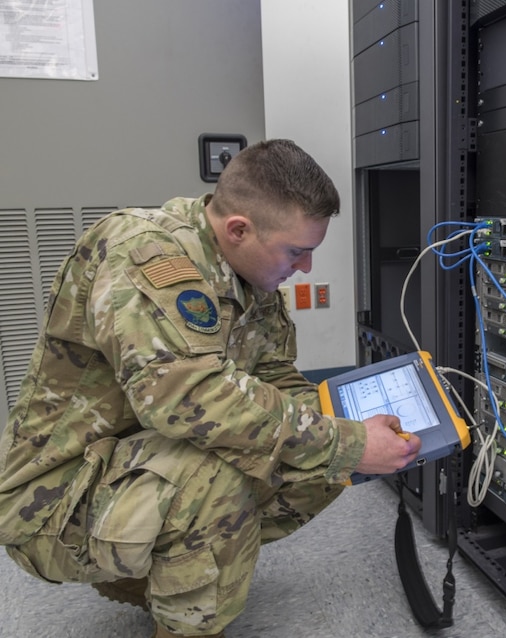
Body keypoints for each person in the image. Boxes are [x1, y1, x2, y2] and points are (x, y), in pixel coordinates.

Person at [0, 139, 422, 637]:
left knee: (319, 454)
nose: (305, 269)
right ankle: (183, 615)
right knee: (222, 469)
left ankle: (165, 571)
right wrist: (345, 441)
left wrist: (349, 432)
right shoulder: (144, 253)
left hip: (135, 460)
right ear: (239, 229)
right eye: (297, 252)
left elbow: (276, 378)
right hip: (52, 501)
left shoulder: (249, 276)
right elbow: (189, 400)